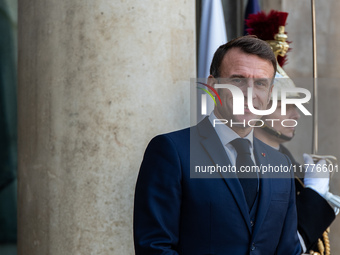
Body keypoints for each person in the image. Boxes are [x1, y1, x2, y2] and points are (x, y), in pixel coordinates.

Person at [134, 36, 301, 254]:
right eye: (238, 80)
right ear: (213, 86)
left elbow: (289, 250)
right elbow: (154, 247)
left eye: (260, 83)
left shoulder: (281, 163)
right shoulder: (171, 151)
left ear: (269, 94)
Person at [247, 10, 337, 254]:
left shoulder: (288, 163)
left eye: (296, 107)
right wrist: (316, 194)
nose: (295, 115)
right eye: (284, 106)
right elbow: (282, 246)